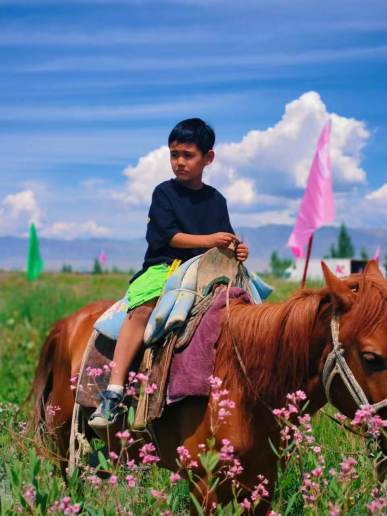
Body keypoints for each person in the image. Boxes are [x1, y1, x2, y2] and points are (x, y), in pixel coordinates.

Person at [88, 118, 249, 429]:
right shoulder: (164, 192)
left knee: (248, 309)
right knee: (143, 309)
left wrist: (238, 250)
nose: (179, 162)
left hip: (208, 272)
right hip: (166, 267)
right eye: (174, 154)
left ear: (208, 158)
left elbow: (226, 242)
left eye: (188, 155)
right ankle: (114, 391)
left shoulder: (217, 200)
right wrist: (209, 241)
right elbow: (168, 237)